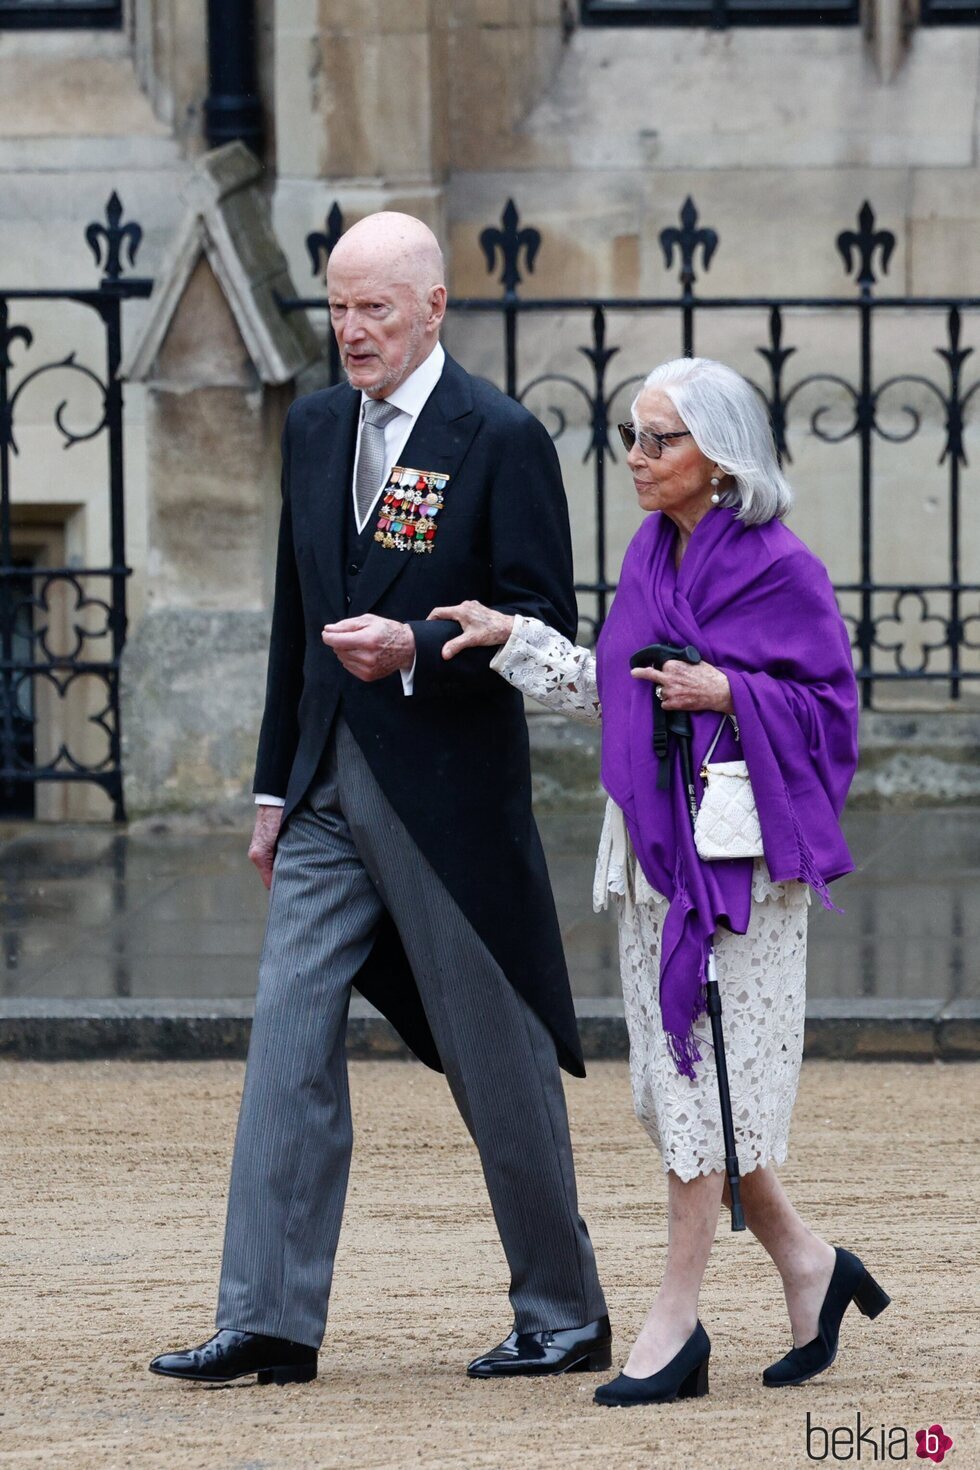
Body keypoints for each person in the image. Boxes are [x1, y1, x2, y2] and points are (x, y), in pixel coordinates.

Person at [148, 212, 610, 1388]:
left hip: (448, 801)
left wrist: (412, 643)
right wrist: (268, 792)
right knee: (286, 1043)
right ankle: (266, 1320)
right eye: (338, 309)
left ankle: (563, 1311)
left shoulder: (498, 436)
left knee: (494, 1059)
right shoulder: (311, 427)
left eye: (375, 310)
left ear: (433, 306)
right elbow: (292, 625)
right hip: (318, 793)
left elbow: (537, 625)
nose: (352, 332)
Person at [428, 357, 890, 1407]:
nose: (633, 457)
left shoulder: (780, 569)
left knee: (701, 1093)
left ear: (718, 459)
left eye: (657, 439)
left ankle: (672, 1324)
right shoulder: (648, 553)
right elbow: (619, 690)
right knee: (680, 1094)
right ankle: (810, 1264)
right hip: (648, 864)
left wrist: (729, 688)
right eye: (630, 435)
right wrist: (514, 641)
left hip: (735, 871)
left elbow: (830, 717)